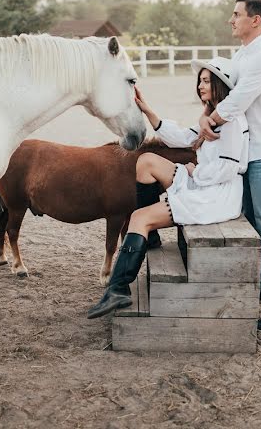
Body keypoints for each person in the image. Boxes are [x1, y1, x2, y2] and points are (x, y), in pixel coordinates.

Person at [87, 57, 248, 319]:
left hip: (216, 194)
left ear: (220, 85)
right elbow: (184, 138)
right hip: (203, 183)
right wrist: (147, 110)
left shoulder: (232, 122)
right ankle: (149, 237)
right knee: (146, 161)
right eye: (200, 81)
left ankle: (118, 289)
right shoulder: (212, 117)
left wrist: (197, 171)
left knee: (139, 217)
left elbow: (229, 168)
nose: (200, 86)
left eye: (206, 81)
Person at [198, 0, 261, 331]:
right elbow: (224, 91)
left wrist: (211, 121)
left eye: (236, 14)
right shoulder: (242, 55)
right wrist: (206, 110)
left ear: (256, 20)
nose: (231, 19)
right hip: (249, 153)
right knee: (255, 227)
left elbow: (238, 99)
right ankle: (259, 289)